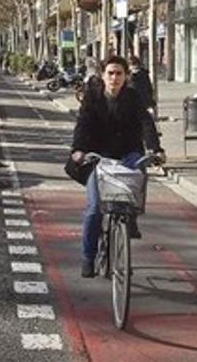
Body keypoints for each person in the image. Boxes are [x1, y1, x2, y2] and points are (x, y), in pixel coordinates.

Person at [69, 55, 163, 278]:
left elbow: (145, 123)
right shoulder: (92, 98)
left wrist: (155, 149)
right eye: (110, 73)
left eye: (119, 73)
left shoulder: (133, 97)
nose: (115, 78)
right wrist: (78, 150)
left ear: (126, 76)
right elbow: (83, 124)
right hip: (98, 158)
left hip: (128, 154)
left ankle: (129, 223)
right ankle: (88, 257)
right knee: (94, 210)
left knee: (137, 180)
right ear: (103, 76)